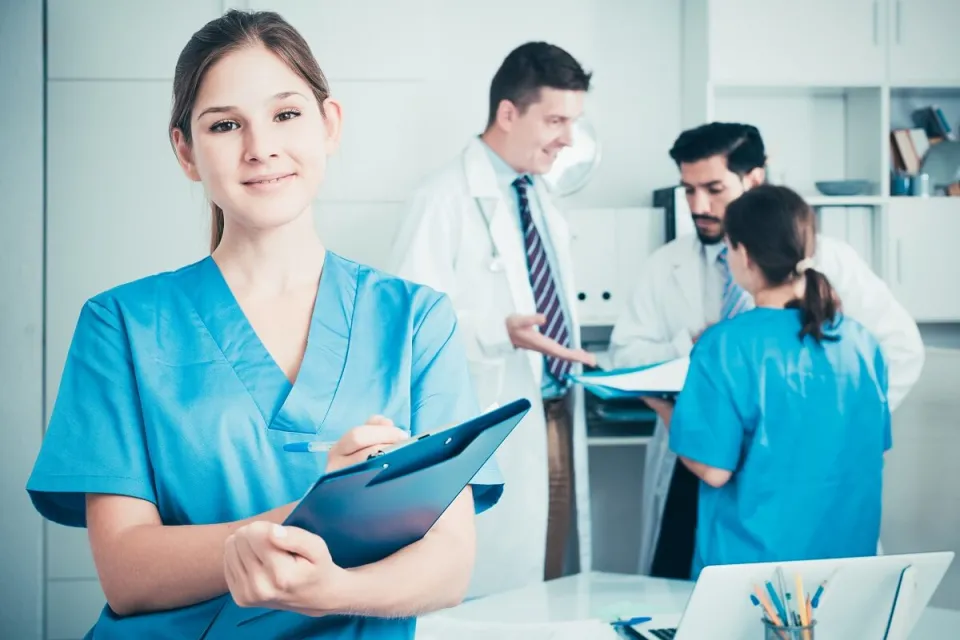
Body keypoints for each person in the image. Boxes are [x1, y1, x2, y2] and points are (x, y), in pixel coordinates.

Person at [25, 10, 502, 640]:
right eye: (225, 125)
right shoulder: (121, 325)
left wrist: (334, 587)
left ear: (329, 124)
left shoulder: (416, 321)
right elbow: (127, 572)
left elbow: (448, 566)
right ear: (186, 151)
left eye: (285, 114)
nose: (261, 147)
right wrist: (324, 513)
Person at [608, 122, 924, 579]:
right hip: (709, 467)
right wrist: (686, 348)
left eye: (713, 189)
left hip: (771, 478)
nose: (699, 206)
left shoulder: (828, 264)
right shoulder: (668, 267)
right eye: (688, 190)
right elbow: (627, 354)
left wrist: (815, 424)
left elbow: (902, 348)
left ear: (753, 178)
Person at [388, 42, 596, 596]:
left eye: (573, 122)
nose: (567, 139)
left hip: (552, 414)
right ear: (508, 113)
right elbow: (410, 328)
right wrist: (494, 329)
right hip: (488, 420)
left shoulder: (540, 197)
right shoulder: (442, 199)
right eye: (555, 120)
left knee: (550, 572)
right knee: (494, 589)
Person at [669, 184, 891, 577]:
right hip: (850, 573)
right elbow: (873, 449)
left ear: (743, 254)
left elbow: (713, 469)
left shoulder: (725, 345)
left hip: (751, 577)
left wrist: (663, 409)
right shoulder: (860, 341)